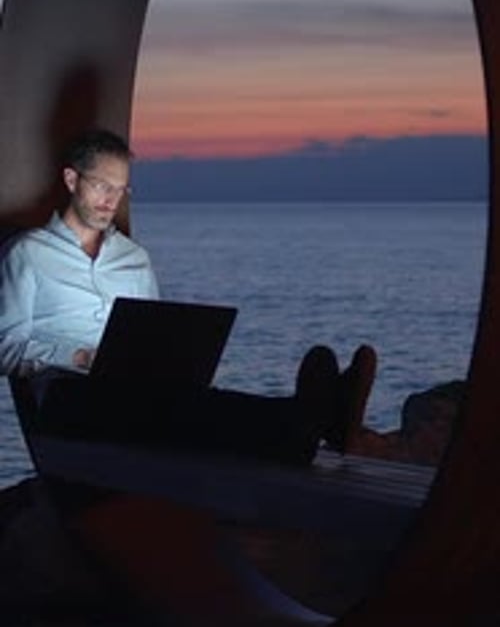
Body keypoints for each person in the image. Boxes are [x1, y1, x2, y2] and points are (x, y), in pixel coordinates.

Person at [0, 128, 377, 466]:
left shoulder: (134, 259)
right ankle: (316, 417)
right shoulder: (28, 253)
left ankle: (310, 422)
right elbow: (5, 348)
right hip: (65, 396)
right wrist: (78, 356)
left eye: (120, 189)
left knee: (188, 399)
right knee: (173, 405)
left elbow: (151, 335)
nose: (111, 200)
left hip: (135, 392)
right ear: (72, 179)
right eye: (101, 186)